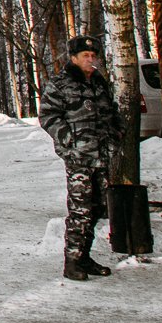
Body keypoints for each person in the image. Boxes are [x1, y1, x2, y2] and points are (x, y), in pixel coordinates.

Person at [38, 34, 122, 280]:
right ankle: (72, 261)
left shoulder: (98, 82)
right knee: (80, 211)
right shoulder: (61, 84)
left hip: (101, 156)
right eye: (85, 56)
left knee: (97, 209)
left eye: (93, 56)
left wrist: (116, 134)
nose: (90, 60)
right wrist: (70, 140)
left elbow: (111, 112)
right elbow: (48, 116)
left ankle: (84, 257)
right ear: (73, 58)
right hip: (78, 159)